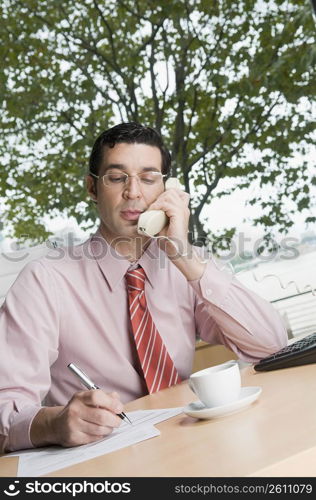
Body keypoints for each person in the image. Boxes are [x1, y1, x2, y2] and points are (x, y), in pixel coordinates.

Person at [0, 122, 287, 453]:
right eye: (117, 177)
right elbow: (6, 406)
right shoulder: (44, 281)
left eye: (149, 178)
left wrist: (186, 259)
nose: (133, 192)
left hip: (191, 446)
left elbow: (270, 346)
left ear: (167, 191)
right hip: (101, 463)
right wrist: (53, 423)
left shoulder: (186, 267)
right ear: (92, 188)